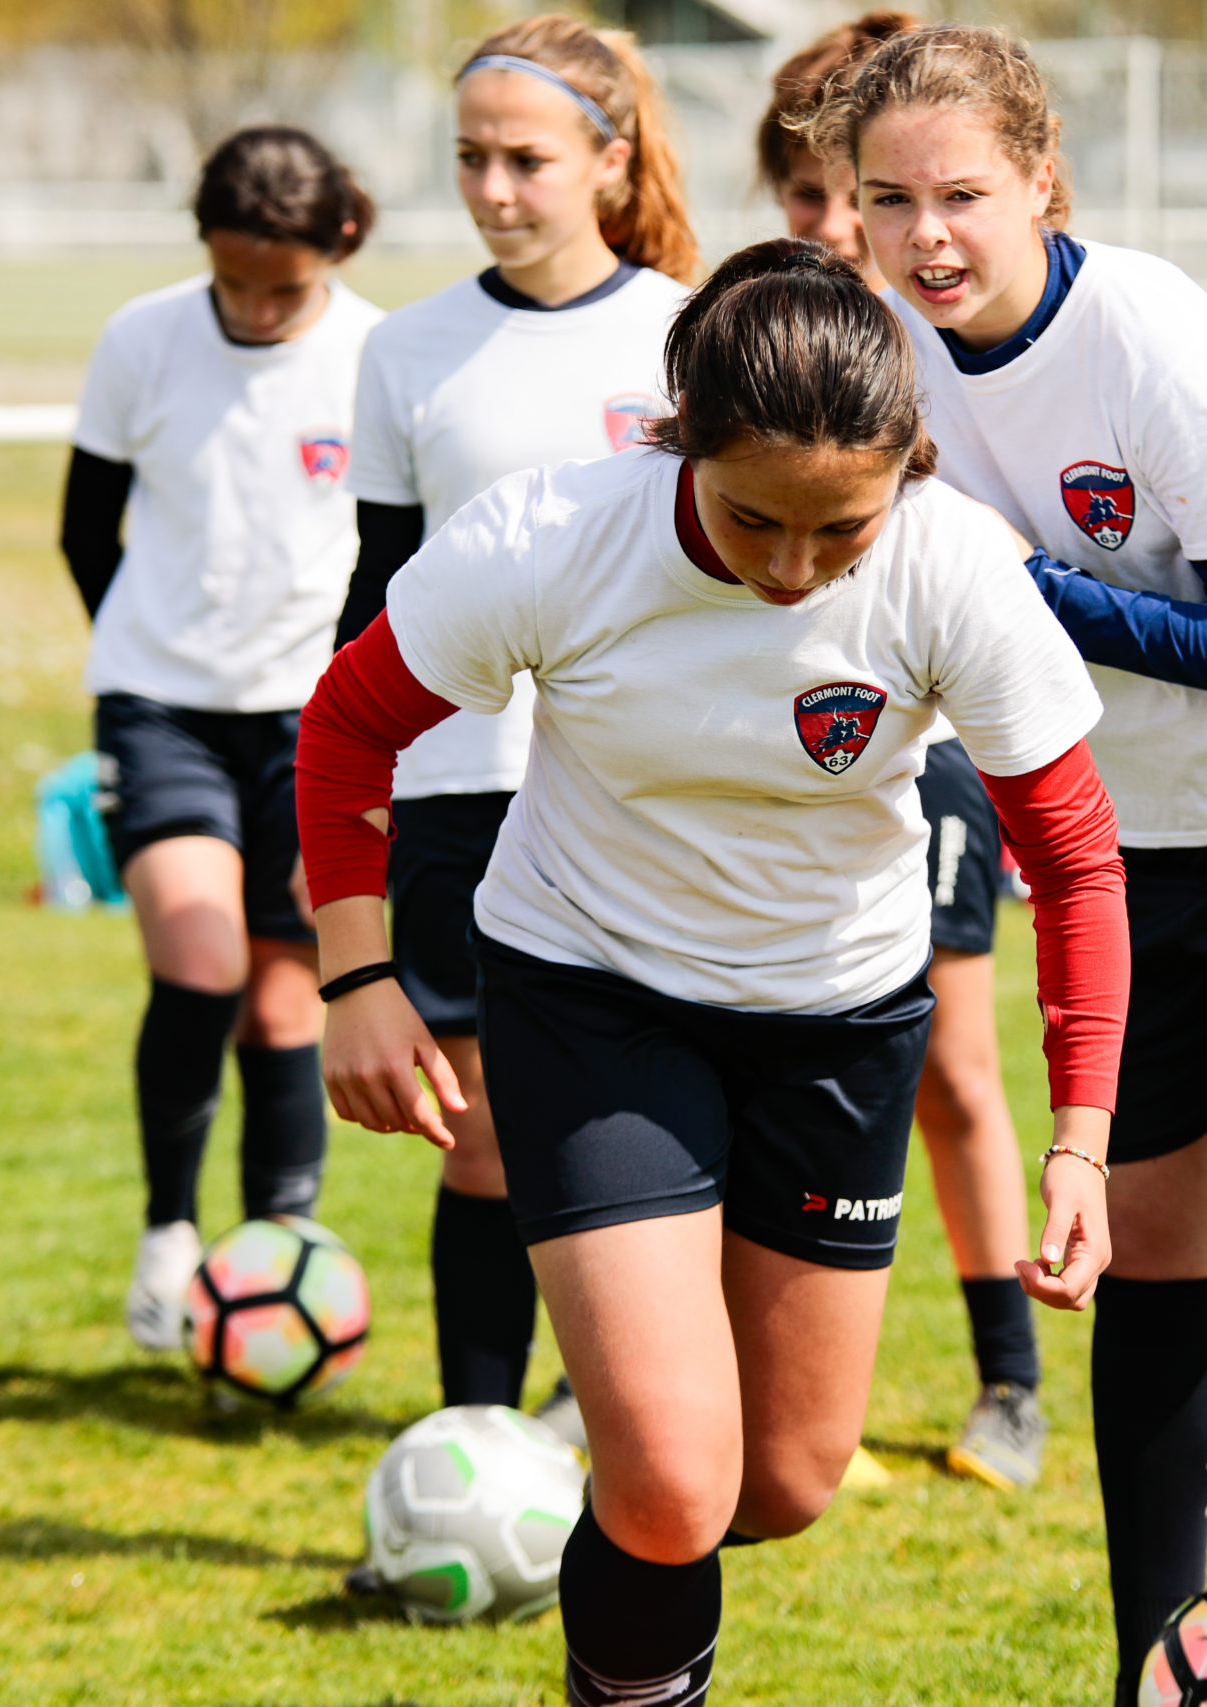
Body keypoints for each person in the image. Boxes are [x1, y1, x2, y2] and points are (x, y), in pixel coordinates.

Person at [296, 240, 1129, 1707]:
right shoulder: (548, 537)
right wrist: (356, 973)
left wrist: (1080, 1137)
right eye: (754, 518)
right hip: (594, 992)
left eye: (841, 527)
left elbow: (1074, 860)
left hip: (840, 1020)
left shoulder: (955, 571)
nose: (794, 567)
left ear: (904, 471)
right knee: (675, 1480)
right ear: (680, 431)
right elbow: (348, 727)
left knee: (785, 1480)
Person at [812, 29, 1207, 1707]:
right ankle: (1148, 1671)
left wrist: (1028, 589)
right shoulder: (882, 357)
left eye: (961, 192)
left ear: (1038, 177)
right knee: (1151, 1258)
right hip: (1129, 853)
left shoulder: (1145, 335)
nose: (927, 232)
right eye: (888, 199)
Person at [332, 13, 697, 1435]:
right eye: (473, 157)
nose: (494, 187)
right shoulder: (405, 352)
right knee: (482, 1140)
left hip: (650, 792)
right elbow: (371, 609)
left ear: (610, 161)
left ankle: (631, 1424)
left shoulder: (689, 327)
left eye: (528, 159)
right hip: (461, 789)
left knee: (639, 1127)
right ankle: (478, 1443)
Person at [757, 6, 1049, 1490]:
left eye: (850, 196)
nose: (836, 226)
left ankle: (1011, 1380)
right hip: (758, 752)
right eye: (810, 195)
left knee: (948, 1064)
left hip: (914, 744)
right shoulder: (753, 338)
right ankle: (763, 1383)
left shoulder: (945, 334)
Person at [57, 126, 386, 1349]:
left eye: (281, 287)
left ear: (337, 243)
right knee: (200, 964)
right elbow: (87, 529)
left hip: (317, 722)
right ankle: (166, 1234)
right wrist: (150, 658)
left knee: (286, 1008)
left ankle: (275, 1261)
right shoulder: (141, 337)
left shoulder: (375, 356)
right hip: (162, 708)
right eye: (231, 280)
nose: (252, 309)